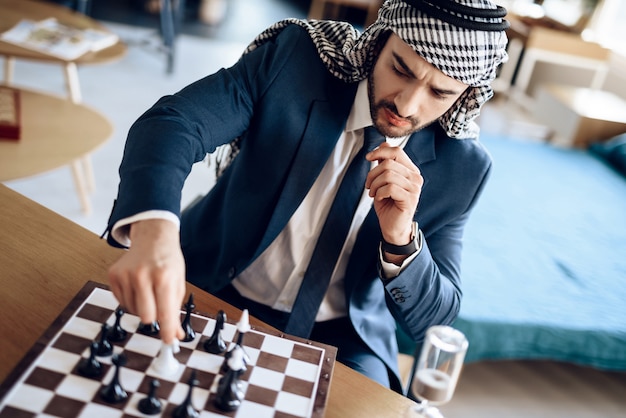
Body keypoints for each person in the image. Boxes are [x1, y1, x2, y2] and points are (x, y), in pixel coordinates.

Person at [105, 0, 508, 393]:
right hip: (214, 279)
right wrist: (154, 232)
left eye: (439, 92)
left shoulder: (463, 168)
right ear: (379, 42)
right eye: (400, 69)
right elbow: (176, 123)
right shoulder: (295, 60)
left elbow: (433, 321)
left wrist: (402, 239)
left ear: (465, 96)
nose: (407, 103)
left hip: (344, 337)